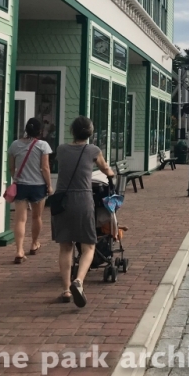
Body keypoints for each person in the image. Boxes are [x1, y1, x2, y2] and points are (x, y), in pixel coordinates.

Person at [52, 116, 115, 307]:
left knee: (65, 246)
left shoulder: (61, 149)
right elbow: (105, 169)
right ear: (90, 133)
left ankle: (65, 289)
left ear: (72, 131)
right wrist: (111, 175)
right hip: (83, 200)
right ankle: (78, 281)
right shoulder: (93, 150)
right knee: (88, 245)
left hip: (62, 200)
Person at [7, 118, 53, 263]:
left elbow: (11, 167)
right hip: (38, 186)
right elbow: (45, 168)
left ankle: (19, 251)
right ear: (40, 131)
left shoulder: (15, 145)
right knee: (36, 217)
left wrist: (16, 178)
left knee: (20, 219)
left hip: (21, 185)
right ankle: (34, 243)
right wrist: (49, 185)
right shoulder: (43, 145)